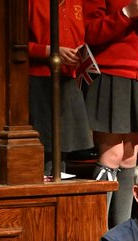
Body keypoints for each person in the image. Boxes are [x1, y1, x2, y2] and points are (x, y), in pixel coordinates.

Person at [83, 0, 138, 227]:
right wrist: (126, 14)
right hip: (112, 76)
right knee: (111, 155)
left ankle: (121, 228)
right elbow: (89, 32)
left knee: (129, 155)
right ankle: (95, 228)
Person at [27, 0, 93, 176]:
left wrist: (81, 51)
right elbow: (14, 45)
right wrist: (50, 51)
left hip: (69, 77)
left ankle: (57, 186)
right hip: (40, 78)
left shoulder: (76, 2)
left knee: (62, 145)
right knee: (46, 145)